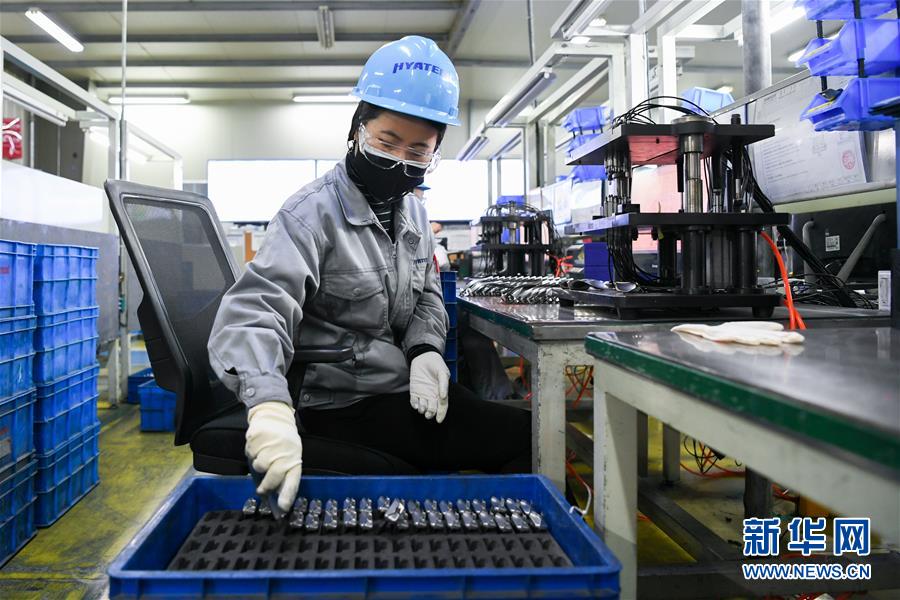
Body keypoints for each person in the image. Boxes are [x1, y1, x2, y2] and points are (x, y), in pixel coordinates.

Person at [207, 36, 531, 512]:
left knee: (527, 431)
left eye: (418, 151)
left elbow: (426, 295)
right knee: (525, 440)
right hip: (335, 401)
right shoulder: (309, 215)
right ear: (357, 130)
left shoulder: (413, 214)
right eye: (387, 141)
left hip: (390, 384)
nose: (400, 160)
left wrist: (424, 349)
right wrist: (269, 406)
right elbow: (256, 311)